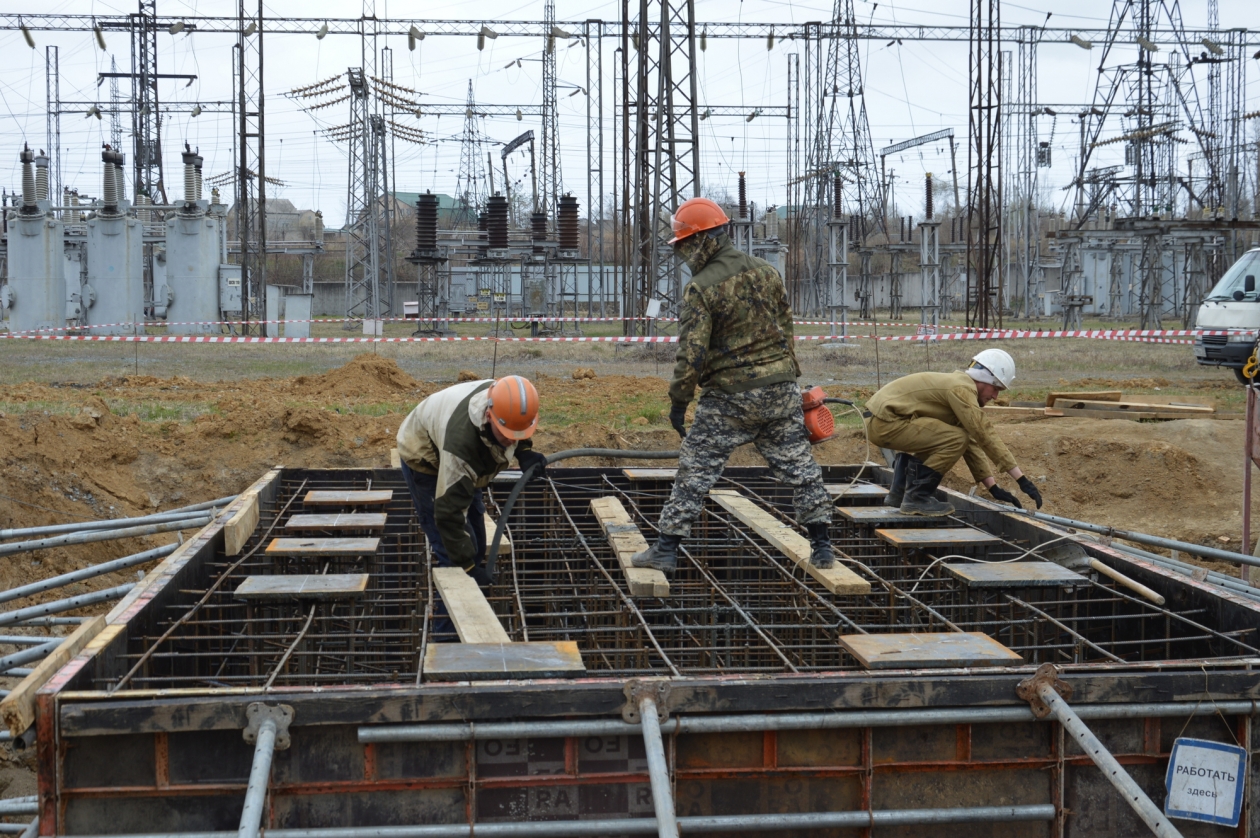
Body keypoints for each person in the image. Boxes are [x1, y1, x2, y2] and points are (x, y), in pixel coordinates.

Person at [632, 197, 835, 575]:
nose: (684, 255)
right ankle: (822, 546)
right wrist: (787, 379)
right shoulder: (767, 272)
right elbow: (785, 330)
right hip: (779, 390)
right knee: (801, 468)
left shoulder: (700, 288)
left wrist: (679, 402)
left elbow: (692, 354)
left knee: (695, 469)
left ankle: (665, 549)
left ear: (704, 239)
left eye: (686, 246)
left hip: (730, 399)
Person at [395, 376, 547, 635]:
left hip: (465, 452)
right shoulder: (460, 450)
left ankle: (468, 589)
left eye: (519, 434)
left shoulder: (506, 401)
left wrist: (525, 451)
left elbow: (516, 428)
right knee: (454, 561)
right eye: (508, 434)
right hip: (425, 456)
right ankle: (447, 648)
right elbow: (448, 515)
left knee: (475, 545)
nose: (512, 440)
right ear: (489, 415)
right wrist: (467, 568)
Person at [863, 348, 1044, 516]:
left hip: (883, 421)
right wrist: (1021, 480)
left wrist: (992, 487)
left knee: (952, 437)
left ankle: (900, 492)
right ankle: (917, 498)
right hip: (886, 422)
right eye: (996, 389)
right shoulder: (961, 389)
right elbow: (984, 433)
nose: (995, 397)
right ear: (984, 379)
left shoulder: (960, 388)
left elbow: (971, 442)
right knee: (954, 438)